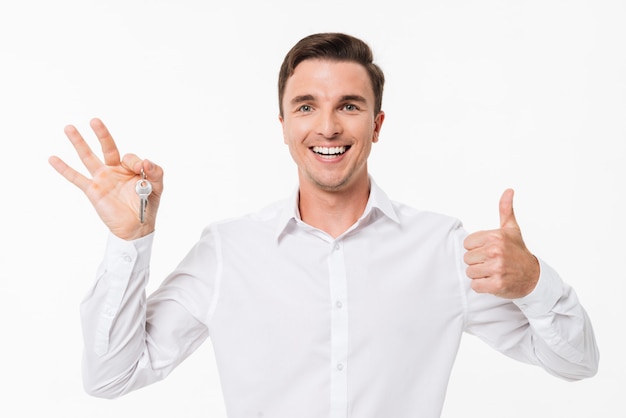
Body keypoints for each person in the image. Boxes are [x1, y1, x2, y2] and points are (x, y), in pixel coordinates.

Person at [49, 32, 599, 418]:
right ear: (284, 123)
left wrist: (533, 283)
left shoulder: (441, 249)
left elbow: (576, 364)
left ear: (378, 125)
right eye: (307, 106)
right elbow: (110, 378)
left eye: (350, 106)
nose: (328, 126)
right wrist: (130, 240)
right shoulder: (228, 251)